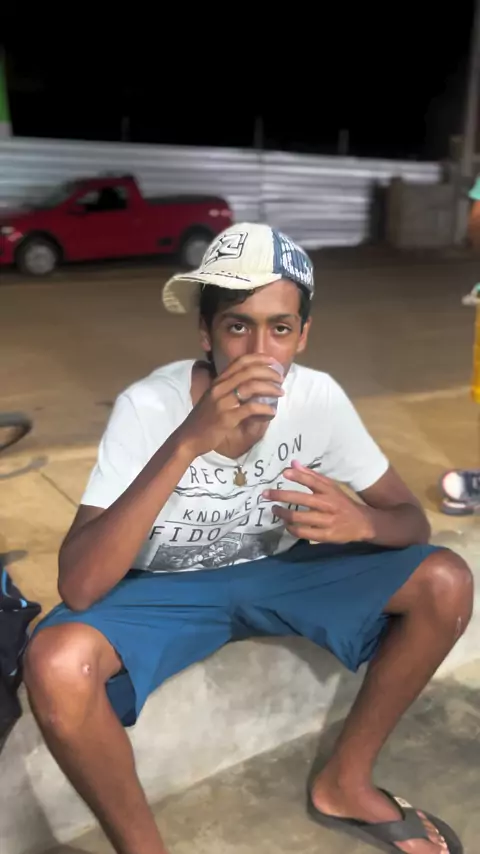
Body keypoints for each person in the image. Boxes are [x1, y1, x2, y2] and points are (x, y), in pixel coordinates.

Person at [23, 223, 471, 854]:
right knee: (56, 662)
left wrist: (363, 523)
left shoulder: (318, 399)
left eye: (280, 328)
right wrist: (187, 441)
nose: (260, 352)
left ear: (302, 335)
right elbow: (80, 584)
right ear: (205, 334)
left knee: (446, 580)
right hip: (166, 588)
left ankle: (345, 781)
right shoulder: (148, 407)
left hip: (279, 572)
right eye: (238, 326)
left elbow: (410, 520)